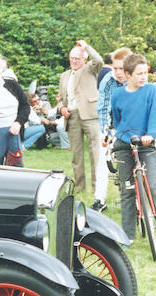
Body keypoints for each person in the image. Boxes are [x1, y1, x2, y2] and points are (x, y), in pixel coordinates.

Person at [111, 54, 156, 241]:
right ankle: (127, 235)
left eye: (145, 73)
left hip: (146, 143)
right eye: (139, 74)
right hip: (124, 143)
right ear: (128, 74)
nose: (143, 77)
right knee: (127, 190)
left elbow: (154, 116)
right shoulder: (117, 94)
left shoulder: (152, 91)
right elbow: (117, 119)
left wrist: (151, 135)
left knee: (153, 186)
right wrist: (120, 136)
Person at [57, 40, 103, 192]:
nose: (74, 61)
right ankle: (79, 187)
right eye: (72, 58)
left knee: (95, 154)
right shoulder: (64, 75)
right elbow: (59, 98)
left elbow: (99, 60)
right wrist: (62, 108)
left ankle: (97, 188)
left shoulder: (91, 69)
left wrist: (86, 47)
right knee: (77, 155)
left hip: (90, 115)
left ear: (84, 59)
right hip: (72, 116)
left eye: (77, 58)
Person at [92, 47, 133, 212]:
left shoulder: (138, 79)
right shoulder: (108, 80)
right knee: (102, 161)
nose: (118, 72)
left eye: (122, 68)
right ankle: (99, 200)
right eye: (115, 68)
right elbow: (102, 108)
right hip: (114, 126)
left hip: (136, 126)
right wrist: (106, 131)